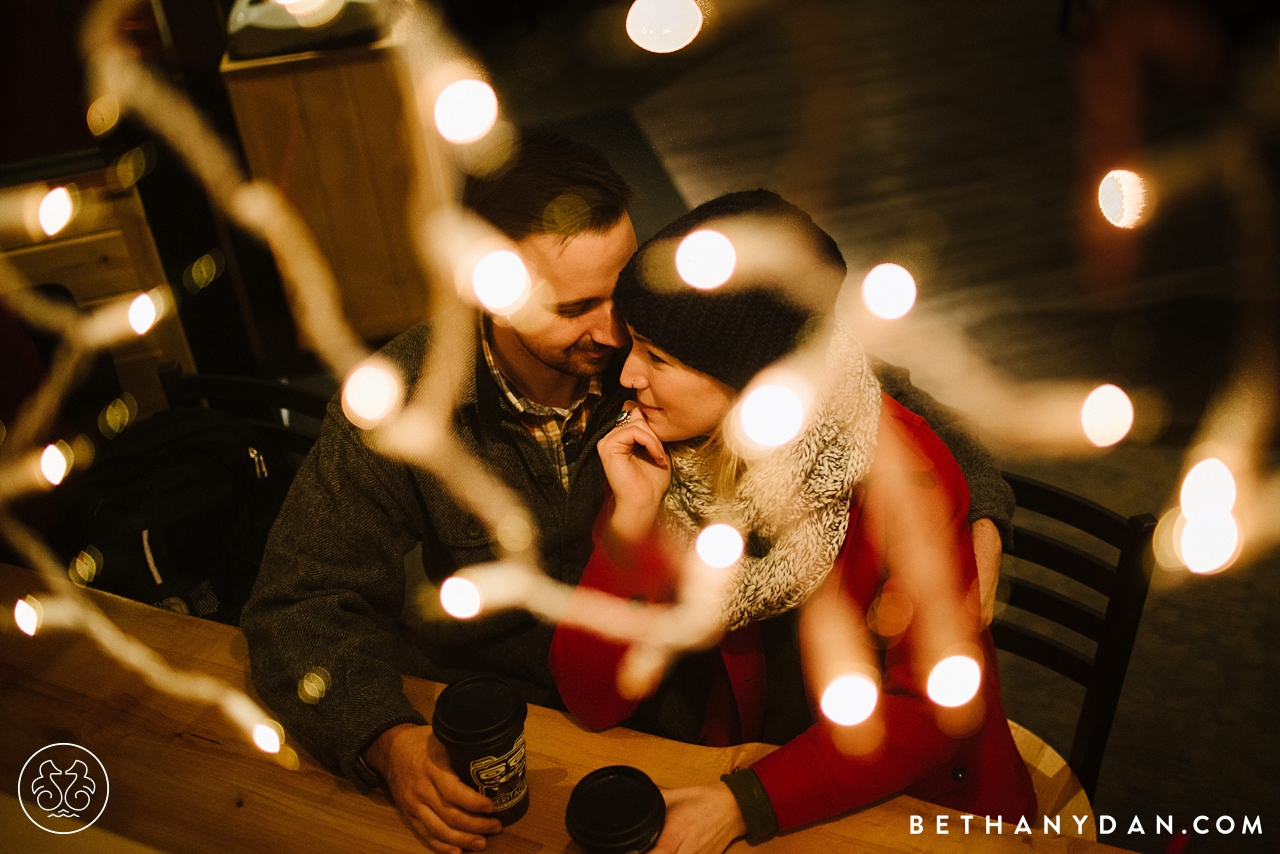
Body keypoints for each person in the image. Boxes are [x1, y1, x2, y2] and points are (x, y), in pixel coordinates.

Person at [241, 133, 1014, 854]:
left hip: (711, 726)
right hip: (525, 714)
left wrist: (970, 491)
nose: (616, 338)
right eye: (575, 309)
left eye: (625, 290)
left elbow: (838, 371)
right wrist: (386, 737)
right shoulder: (409, 400)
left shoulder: (673, 348)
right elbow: (299, 600)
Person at [550, 190, 1037, 854]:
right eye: (636, 345)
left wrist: (743, 804)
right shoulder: (659, 459)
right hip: (753, 768)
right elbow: (591, 700)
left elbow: (929, 712)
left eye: (659, 359)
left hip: (909, 806)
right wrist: (629, 527)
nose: (627, 374)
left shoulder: (903, 478)